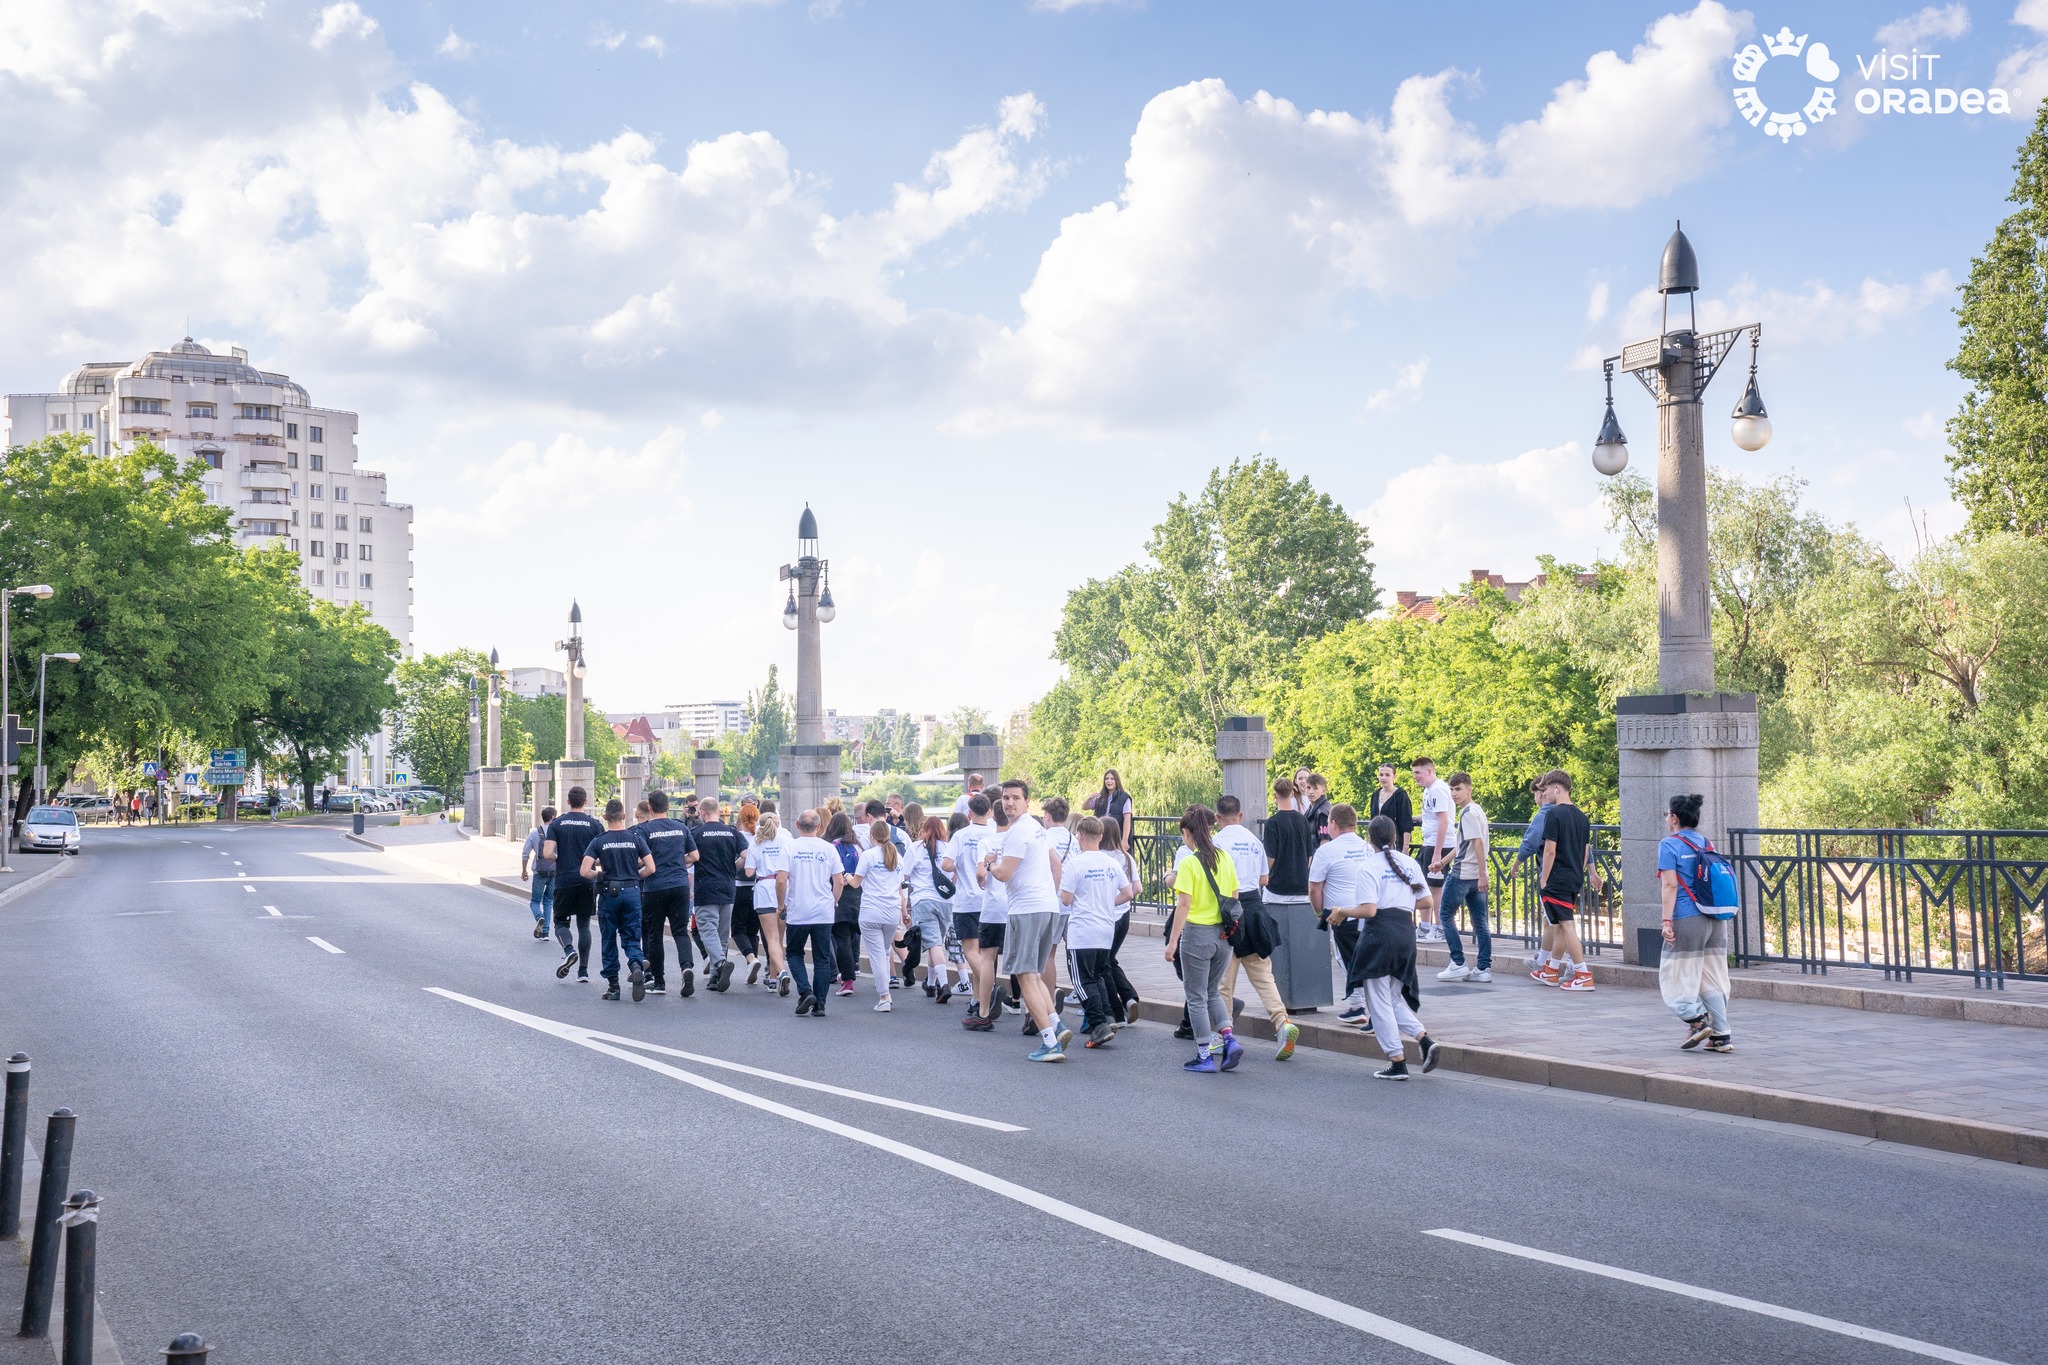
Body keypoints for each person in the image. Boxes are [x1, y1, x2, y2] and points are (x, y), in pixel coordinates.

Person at [1323, 816, 1442, 1080]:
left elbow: (1369, 910)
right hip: (1405, 933)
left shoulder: (1369, 866)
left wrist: (1341, 910)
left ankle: (1397, 1061)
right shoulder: (1410, 863)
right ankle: (1424, 1040)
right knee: (1393, 998)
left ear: (1369, 839)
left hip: (1379, 934)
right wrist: (1401, 900)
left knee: (1377, 1002)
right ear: (1395, 837)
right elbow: (1426, 903)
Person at [1215, 794, 1298, 1061]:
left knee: (1224, 983)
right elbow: (1264, 878)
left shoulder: (1216, 843)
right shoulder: (1253, 841)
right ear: (1241, 816)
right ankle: (1283, 1023)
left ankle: (1223, 1035)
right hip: (1255, 911)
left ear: (1217, 818)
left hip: (1228, 913)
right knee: (1264, 977)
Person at [992, 779, 1069, 1062]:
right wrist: (1050, 893)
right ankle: (1057, 1026)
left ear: (1026, 801)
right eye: (1005, 798)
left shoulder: (1017, 831)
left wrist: (990, 865)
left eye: (1015, 798)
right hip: (1048, 906)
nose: (1009, 802)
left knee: (1025, 977)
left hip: (1025, 909)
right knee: (1034, 975)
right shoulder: (1038, 828)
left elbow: (1004, 874)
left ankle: (1049, 1041)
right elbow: (1056, 866)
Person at [1167, 805, 1242, 1073]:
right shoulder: (1225, 858)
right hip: (1223, 936)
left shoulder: (1189, 862)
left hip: (1197, 934)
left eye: (1183, 835)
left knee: (1196, 996)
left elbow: (1183, 905)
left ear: (1188, 833)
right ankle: (1229, 1040)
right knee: (1212, 993)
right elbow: (1235, 897)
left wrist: (1172, 942)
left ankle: (1204, 1055)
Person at [1659, 793, 1734, 1052]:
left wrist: (1667, 921)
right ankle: (1721, 1035)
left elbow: (1670, 885)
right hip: (1715, 918)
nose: (1667, 819)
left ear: (1675, 818)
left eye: (1667, 814)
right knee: (1711, 977)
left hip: (1687, 918)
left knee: (1674, 974)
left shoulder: (1669, 845)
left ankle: (1696, 1020)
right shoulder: (1705, 842)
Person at [1060, 816, 1135, 1048]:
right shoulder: (1112, 863)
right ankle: (1108, 1017)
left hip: (1082, 930)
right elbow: (1129, 893)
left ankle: (1098, 1025)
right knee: (1101, 974)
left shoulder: (1076, 863)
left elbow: (1065, 899)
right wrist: (1106, 902)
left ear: (1079, 836)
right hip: (1105, 928)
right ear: (1101, 836)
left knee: (1083, 981)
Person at [578, 799, 655, 1003]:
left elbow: (584, 870)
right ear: (623, 816)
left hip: (609, 893)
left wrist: (601, 876)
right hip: (632, 892)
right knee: (631, 936)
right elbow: (651, 867)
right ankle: (637, 966)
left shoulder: (599, 841)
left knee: (609, 938)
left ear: (604, 818)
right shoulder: (635, 838)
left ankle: (613, 987)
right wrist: (635, 876)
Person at [1309, 804, 1375, 1026]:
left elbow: (1314, 888)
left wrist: (1319, 913)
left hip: (1341, 914)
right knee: (1365, 959)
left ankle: (1362, 1006)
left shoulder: (1326, 851)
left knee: (1346, 960)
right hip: (1368, 912)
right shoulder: (1367, 848)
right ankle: (1363, 1005)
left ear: (1333, 824)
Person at [1534, 769, 1600, 991]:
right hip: (1573, 877)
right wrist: (1581, 872)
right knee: (1561, 925)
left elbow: (1549, 851)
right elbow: (1585, 851)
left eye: (1545, 790)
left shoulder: (1553, 814)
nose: (1544, 795)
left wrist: (1544, 879)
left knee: (1567, 925)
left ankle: (1582, 973)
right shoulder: (1582, 816)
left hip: (1556, 878)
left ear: (1556, 788)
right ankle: (1551, 971)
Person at [782, 809, 845, 1016]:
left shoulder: (789, 847)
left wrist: (781, 904)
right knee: (821, 958)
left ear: (797, 826)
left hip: (798, 909)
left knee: (793, 953)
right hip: (823, 910)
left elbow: (781, 879)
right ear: (820, 827)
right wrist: (833, 901)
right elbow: (839, 881)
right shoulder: (828, 849)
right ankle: (820, 1004)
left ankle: (805, 990)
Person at [637, 791, 700, 997]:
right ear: (667, 805)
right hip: (680, 884)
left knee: (655, 934)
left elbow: (639, 861)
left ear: (649, 807)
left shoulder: (644, 830)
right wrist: (675, 861)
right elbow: (694, 855)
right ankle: (686, 967)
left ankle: (659, 982)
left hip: (655, 886)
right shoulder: (681, 827)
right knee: (680, 931)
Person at [1433, 771, 1493, 984]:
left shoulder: (1468, 813)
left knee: (1445, 915)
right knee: (1481, 922)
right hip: (1474, 876)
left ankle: (1458, 962)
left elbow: (1477, 843)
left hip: (1463, 875)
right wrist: (1442, 862)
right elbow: (1463, 846)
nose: (1454, 793)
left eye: (1458, 789)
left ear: (1469, 789)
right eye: (1451, 789)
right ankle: (1483, 968)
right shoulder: (1477, 810)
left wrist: (1482, 874)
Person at [945, 794, 999, 1029]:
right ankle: (978, 999)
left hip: (966, 899)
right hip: (990, 900)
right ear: (989, 812)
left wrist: (962, 863)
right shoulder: (994, 834)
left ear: (969, 813)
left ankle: (992, 988)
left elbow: (946, 865)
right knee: (984, 952)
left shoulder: (961, 834)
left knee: (970, 951)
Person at [542, 787, 605, 983]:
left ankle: (569, 950)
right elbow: (602, 857)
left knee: (560, 922)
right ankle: (583, 972)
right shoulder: (595, 825)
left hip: (564, 880)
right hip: (587, 881)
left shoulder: (557, 823)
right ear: (585, 802)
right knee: (584, 925)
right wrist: (590, 864)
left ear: (568, 801)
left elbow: (547, 853)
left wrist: (560, 860)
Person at [682, 795, 744, 992]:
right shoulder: (732, 832)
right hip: (728, 887)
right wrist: (733, 869)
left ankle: (720, 964)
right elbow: (746, 855)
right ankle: (715, 979)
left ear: (702, 813)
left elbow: (690, 859)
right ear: (719, 811)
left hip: (706, 887)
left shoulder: (697, 833)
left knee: (707, 929)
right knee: (722, 934)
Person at [850, 820, 910, 1012]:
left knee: (877, 955)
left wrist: (847, 877)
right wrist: (904, 911)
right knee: (883, 952)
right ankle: (885, 993)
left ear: (872, 837)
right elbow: (900, 888)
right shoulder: (898, 857)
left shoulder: (868, 855)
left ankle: (884, 996)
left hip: (871, 911)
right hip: (892, 911)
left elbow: (856, 883)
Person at [905, 815, 963, 1003]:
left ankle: (944, 984)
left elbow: (905, 875)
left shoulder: (916, 848)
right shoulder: (948, 848)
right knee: (935, 942)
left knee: (934, 944)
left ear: (924, 829)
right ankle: (930, 983)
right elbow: (955, 874)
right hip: (946, 902)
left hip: (923, 900)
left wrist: (906, 902)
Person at [1097, 819, 1143, 1023]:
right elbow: (1138, 889)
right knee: (1110, 960)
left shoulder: (1099, 858)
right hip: (1123, 915)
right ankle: (1129, 997)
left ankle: (1116, 1011)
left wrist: (1108, 901)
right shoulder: (1126, 858)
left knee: (1103, 964)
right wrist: (1121, 900)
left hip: (1105, 915)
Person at [744, 812, 792, 995]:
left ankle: (781, 973)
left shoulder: (756, 842)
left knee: (770, 939)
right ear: (778, 823)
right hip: (783, 888)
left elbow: (749, 872)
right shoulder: (786, 840)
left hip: (764, 889)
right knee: (779, 940)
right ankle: (773, 979)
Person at [1412, 758, 1453, 942]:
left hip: (1439, 846)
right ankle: (1426, 926)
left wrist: (1437, 853)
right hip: (1430, 843)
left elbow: (1443, 821)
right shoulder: (1430, 790)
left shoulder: (1437, 789)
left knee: (1436, 888)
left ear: (1429, 771)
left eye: (1418, 773)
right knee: (1426, 886)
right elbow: (1430, 816)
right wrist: (1412, 819)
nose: (1415, 777)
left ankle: (1440, 927)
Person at [824, 811, 863, 997]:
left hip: (838, 894)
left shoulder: (831, 846)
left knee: (841, 940)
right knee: (855, 936)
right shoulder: (858, 846)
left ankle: (847, 979)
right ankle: (853, 967)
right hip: (858, 894)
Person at [520, 805, 558, 941]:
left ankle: (539, 917)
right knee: (548, 901)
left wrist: (524, 870)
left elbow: (525, 854)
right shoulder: (557, 832)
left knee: (535, 901)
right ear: (553, 817)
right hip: (554, 870)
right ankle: (545, 932)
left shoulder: (535, 833)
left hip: (539, 871)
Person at [1367, 765, 1415, 855]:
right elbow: (1372, 820)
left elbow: (1406, 824)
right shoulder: (1375, 795)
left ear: (1394, 777)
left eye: (1387, 775)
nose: (1383, 778)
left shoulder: (1401, 795)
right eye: (1381, 775)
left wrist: (1405, 848)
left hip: (1395, 843)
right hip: (1376, 844)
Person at [1084, 769, 1134, 848]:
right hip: (1100, 835)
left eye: (1112, 779)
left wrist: (1124, 840)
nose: (1109, 781)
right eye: (1106, 779)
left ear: (1116, 780)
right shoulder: (1100, 797)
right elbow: (1085, 807)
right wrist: (1089, 798)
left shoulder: (1124, 797)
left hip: (1116, 836)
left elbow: (1127, 818)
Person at [1302, 773, 1334, 845]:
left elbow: (1325, 841)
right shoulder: (1311, 808)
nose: (1311, 792)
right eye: (1308, 787)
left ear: (1323, 791)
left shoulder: (1322, 812)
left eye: (1315, 788)